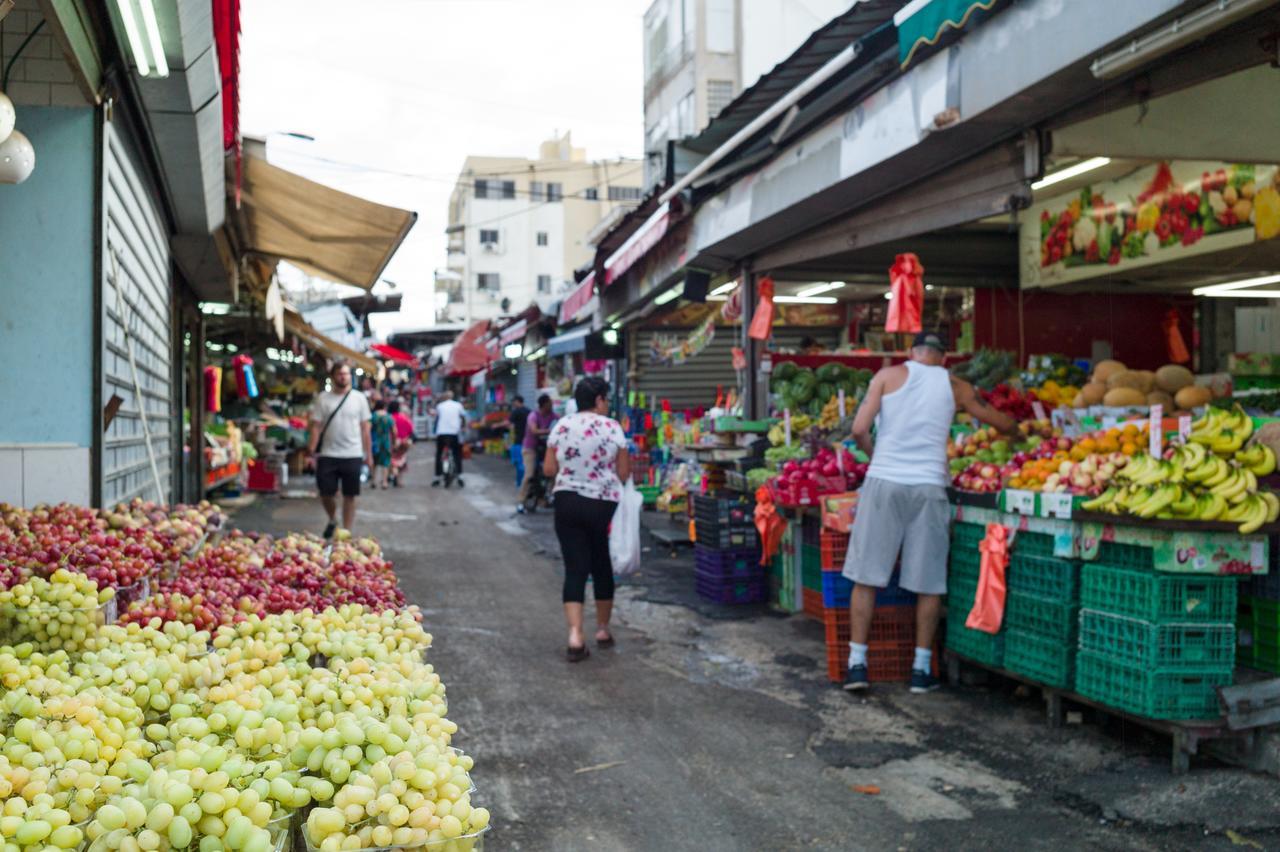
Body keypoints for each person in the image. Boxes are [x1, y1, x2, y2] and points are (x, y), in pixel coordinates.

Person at [842, 331, 1016, 694]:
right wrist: (1018, 431)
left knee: (867, 575)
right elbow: (999, 422)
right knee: (928, 580)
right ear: (944, 357)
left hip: (884, 482)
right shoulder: (956, 386)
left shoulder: (887, 377)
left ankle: (857, 664)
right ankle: (921, 670)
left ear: (912, 353)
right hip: (930, 486)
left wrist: (877, 455)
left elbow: (858, 429)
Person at [543, 377, 631, 662]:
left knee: (575, 567)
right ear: (599, 400)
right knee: (601, 562)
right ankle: (603, 630)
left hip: (567, 501)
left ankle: (575, 635)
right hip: (603, 504)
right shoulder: (612, 427)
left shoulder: (562, 425)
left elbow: (548, 469)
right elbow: (624, 472)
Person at [308, 362, 373, 538]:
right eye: (340, 374)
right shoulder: (323, 398)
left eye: (346, 374)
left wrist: (369, 455)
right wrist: (311, 450)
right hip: (328, 453)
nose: (343, 377)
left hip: (353, 453)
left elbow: (365, 428)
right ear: (333, 376)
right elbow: (316, 426)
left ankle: (346, 531)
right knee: (325, 493)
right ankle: (332, 519)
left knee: (350, 495)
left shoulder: (359, 398)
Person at [516, 394, 558, 514]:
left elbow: (561, 423)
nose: (552, 405)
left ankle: (549, 496)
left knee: (554, 473)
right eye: (550, 403)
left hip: (546, 449)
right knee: (529, 474)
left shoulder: (553, 416)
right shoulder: (533, 416)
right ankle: (521, 501)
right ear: (544, 404)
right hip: (530, 448)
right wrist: (550, 431)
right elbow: (534, 430)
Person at [432, 391, 466, 487]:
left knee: (439, 454)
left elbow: (436, 419)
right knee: (457, 454)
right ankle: (460, 476)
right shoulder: (458, 405)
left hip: (441, 433)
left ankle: (437, 477)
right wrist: (462, 427)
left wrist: (435, 432)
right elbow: (463, 417)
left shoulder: (440, 406)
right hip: (454, 433)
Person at [504, 395, 531, 488]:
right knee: (526, 463)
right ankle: (525, 483)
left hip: (519, 440)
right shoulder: (529, 411)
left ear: (517, 401)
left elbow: (508, 423)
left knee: (519, 463)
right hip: (529, 441)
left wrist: (497, 425)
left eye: (513, 402)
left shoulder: (516, 412)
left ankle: (520, 483)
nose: (513, 404)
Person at [370, 401, 395, 489]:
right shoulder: (388, 416)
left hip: (375, 441)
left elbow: (368, 428)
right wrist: (394, 442)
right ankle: (384, 482)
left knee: (374, 461)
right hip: (385, 442)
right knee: (385, 462)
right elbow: (394, 431)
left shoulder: (373, 416)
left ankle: (374, 481)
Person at [389, 400, 414, 486]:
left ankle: (393, 474)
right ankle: (399, 480)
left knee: (392, 460)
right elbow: (411, 429)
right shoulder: (404, 417)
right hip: (404, 441)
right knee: (401, 460)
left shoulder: (390, 417)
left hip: (392, 442)